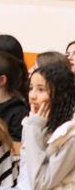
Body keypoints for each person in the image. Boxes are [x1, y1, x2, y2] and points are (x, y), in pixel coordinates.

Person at [19, 62, 75, 190]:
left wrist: (33, 128)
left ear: (60, 95)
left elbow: (40, 184)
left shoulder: (70, 134)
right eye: (31, 88)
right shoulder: (35, 121)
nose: (32, 96)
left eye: (41, 89)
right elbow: (24, 176)